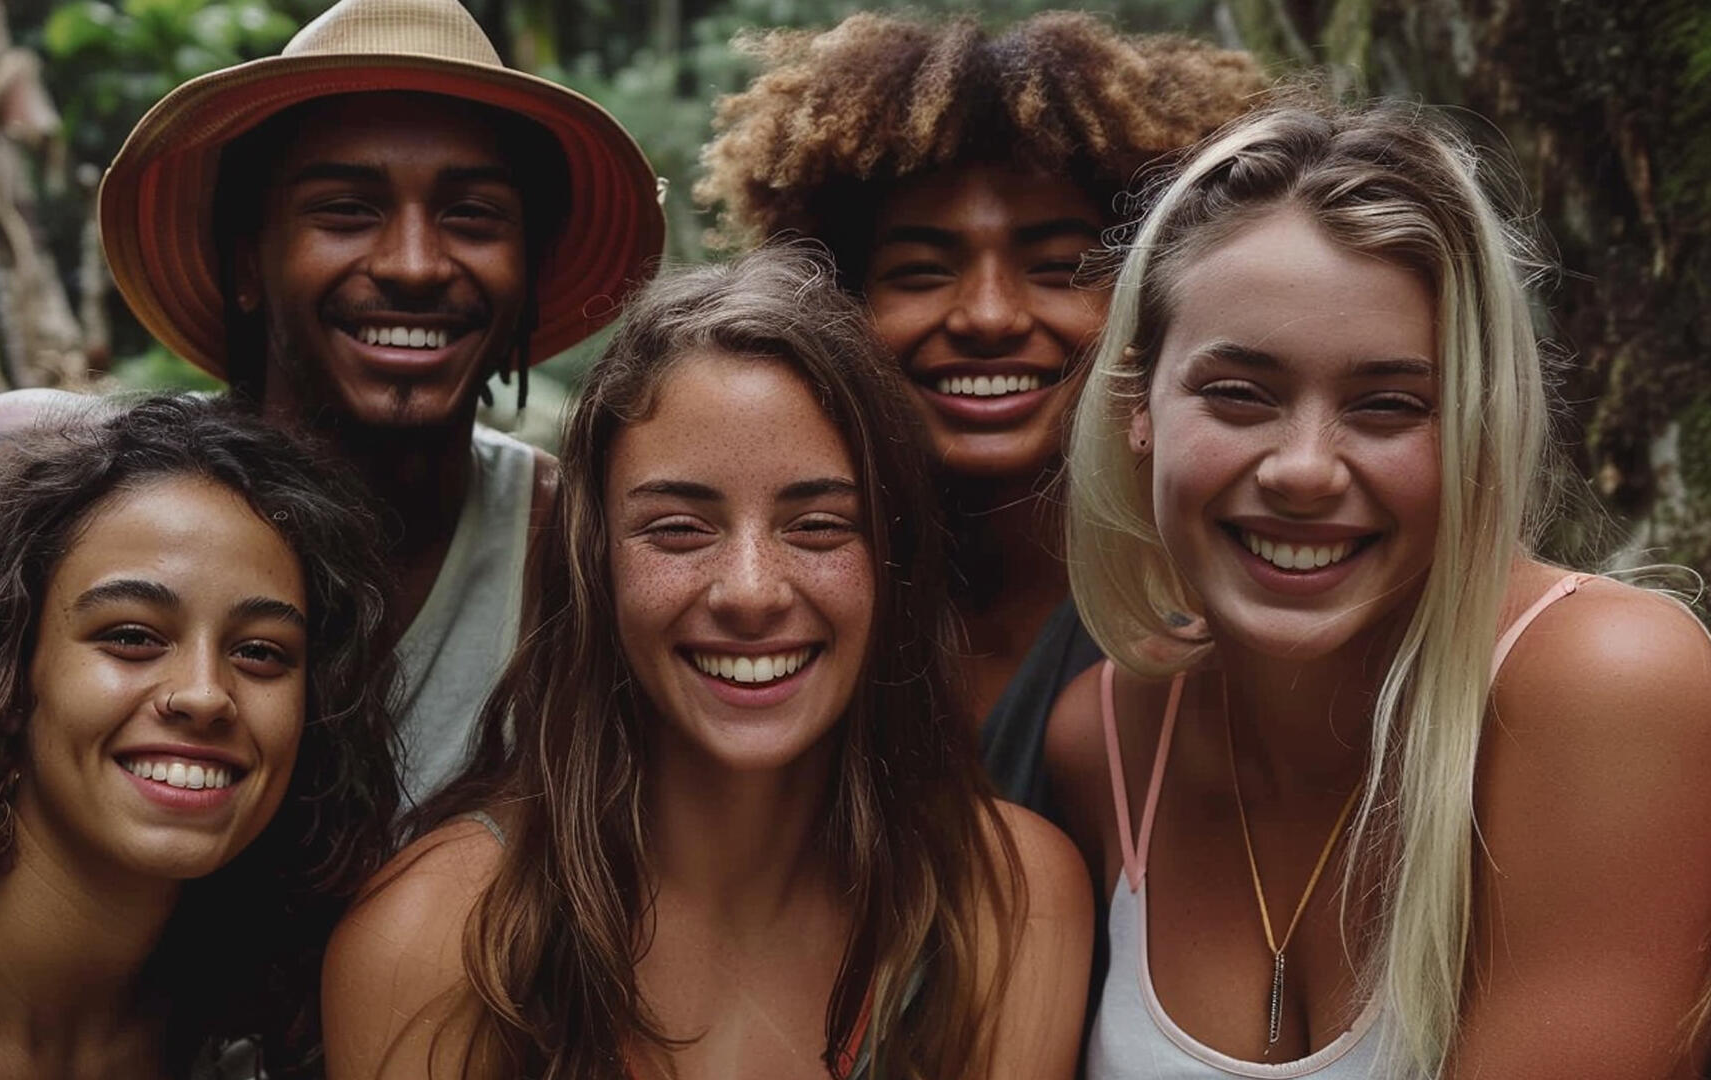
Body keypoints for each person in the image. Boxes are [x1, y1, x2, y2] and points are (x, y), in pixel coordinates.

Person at [0, 0, 665, 802]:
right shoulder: (33, 471)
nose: (413, 264)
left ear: (529, 275)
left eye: (473, 216)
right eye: (346, 210)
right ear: (249, 260)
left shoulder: (570, 550)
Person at [1044, 100, 1711, 1077]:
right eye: (1239, 393)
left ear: (1477, 426)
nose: (1305, 470)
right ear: (1137, 404)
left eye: (1389, 406)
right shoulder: (1102, 737)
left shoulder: (1607, 687)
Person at [321, 247, 1091, 1080]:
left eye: (820, 526)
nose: (751, 592)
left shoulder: (1010, 901)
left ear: (894, 560)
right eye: (679, 529)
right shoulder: (435, 941)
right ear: (592, 565)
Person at [695, 12, 1265, 819]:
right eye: (922, 271)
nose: (989, 316)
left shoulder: (1229, 609)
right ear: (836, 305)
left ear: (1152, 299)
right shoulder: (767, 609)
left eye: (1057, 268)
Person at [0, 396, 400, 1078]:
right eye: (132, 636)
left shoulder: (249, 1025)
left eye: (260, 652)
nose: (204, 694)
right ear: (6, 674)